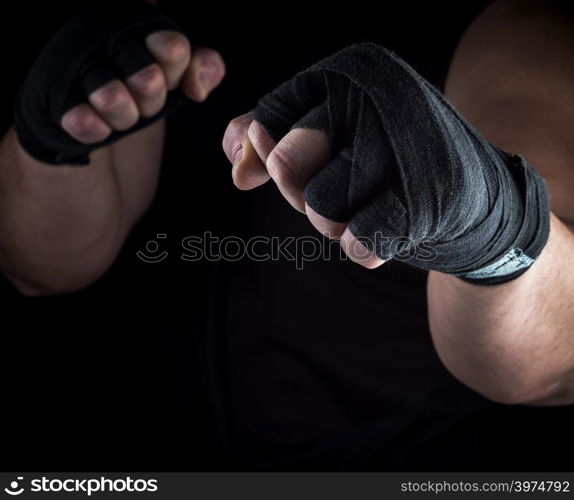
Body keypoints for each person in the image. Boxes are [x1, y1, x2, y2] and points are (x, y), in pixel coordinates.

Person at [1, 0, 573, 470]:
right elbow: (41, 270)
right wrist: (49, 142)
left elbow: (553, 351)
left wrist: (492, 221)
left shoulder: (521, 36)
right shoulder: (156, 27)